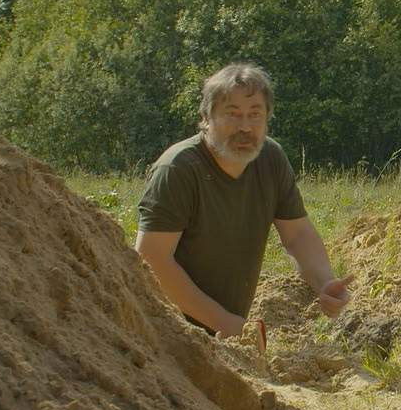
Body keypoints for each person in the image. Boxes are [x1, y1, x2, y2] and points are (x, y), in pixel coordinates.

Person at [134, 63, 351, 336]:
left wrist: (324, 283)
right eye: (232, 114)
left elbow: (297, 234)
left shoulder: (270, 159)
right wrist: (228, 324)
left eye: (255, 114)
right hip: (163, 334)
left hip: (223, 336)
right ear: (206, 117)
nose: (245, 127)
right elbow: (152, 260)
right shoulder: (178, 169)